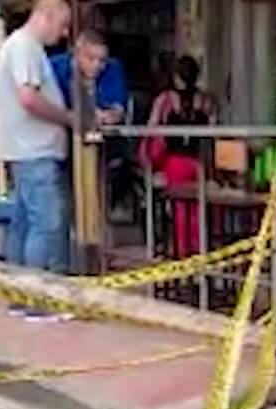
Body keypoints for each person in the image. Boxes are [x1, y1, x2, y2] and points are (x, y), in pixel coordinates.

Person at [0, 0, 75, 302]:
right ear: (46, 15)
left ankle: (20, 297)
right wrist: (67, 118)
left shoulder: (20, 46)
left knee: (24, 225)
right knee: (47, 225)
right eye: (63, 24)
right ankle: (39, 300)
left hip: (25, 150)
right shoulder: (25, 47)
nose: (65, 33)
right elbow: (29, 98)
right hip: (34, 150)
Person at [143, 56, 216, 256]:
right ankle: (198, 251)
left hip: (174, 162)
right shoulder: (206, 101)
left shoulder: (165, 100)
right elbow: (212, 132)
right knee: (198, 210)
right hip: (199, 161)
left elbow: (152, 129)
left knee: (179, 209)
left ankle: (181, 253)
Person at [51, 28, 128, 126]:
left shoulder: (112, 67)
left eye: (102, 60)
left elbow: (117, 107)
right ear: (76, 53)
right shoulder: (54, 67)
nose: (97, 65)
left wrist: (112, 115)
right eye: (91, 58)